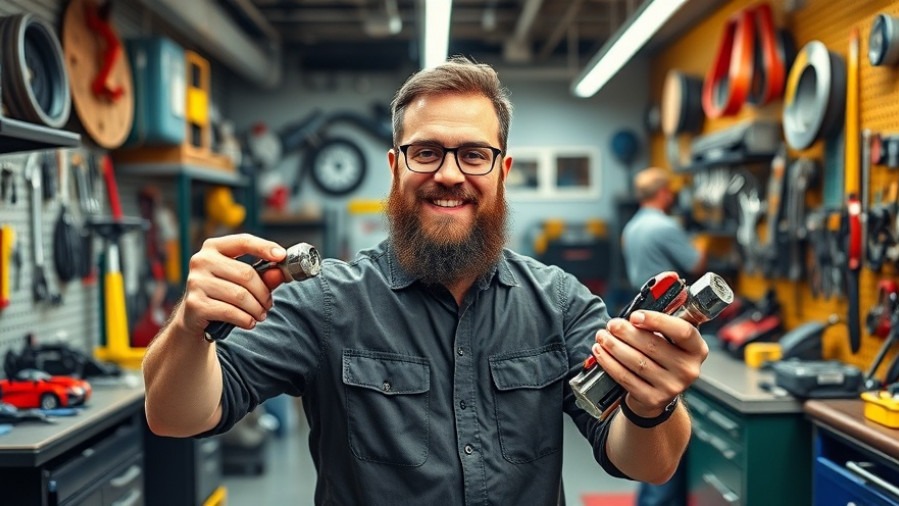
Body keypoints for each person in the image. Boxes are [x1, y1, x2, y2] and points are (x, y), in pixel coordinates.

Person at [143, 56, 709, 505]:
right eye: (427, 152)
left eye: (473, 155)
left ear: (502, 172)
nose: (448, 174)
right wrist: (192, 329)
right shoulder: (326, 301)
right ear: (395, 166)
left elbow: (649, 462)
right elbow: (175, 416)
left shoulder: (559, 303)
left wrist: (652, 402)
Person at [621, 167, 708, 506]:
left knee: (649, 412)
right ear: (664, 194)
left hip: (641, 314)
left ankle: (650, 496)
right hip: (669, 321)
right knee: (663, 411)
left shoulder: (633, 227)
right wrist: (703, 240)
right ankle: (657, 499)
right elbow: (697, 262)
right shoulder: (665, 225)